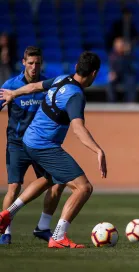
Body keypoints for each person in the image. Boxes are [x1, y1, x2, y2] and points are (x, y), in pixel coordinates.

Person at [0, 52, 107, 248]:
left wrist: (14, 93)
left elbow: (34, 86)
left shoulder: (61, 79)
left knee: (49, 179)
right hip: (44, 146)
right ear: (94, 73)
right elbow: (78, 129)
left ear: (76, 66)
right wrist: (98, 150)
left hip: (29, 140)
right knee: (84, 188)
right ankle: (58, 236)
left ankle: (7, 214)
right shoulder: (76, 95)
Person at [0, 46, 65, 245]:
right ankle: (5, 231)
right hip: (17, 144)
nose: (34, 67)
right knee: (14, 187)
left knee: (57, 182)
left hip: (40, 145)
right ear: (23, 63)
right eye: (31, 63)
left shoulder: (46, 86)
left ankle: (43, 227)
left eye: (37, 63)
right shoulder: (11, 85)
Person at [106, 37, 137, 103]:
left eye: (121, 45)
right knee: (110, 82)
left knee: (131, 81)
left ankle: (130, 102)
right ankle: (112, 102)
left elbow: (130, 66)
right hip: (117, 74)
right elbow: (112, 66)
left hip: (127, 74)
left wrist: (127, 53)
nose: (120, 47)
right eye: (118, 46)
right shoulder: (112, 55)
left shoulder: (128, 54)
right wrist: (112, 72)